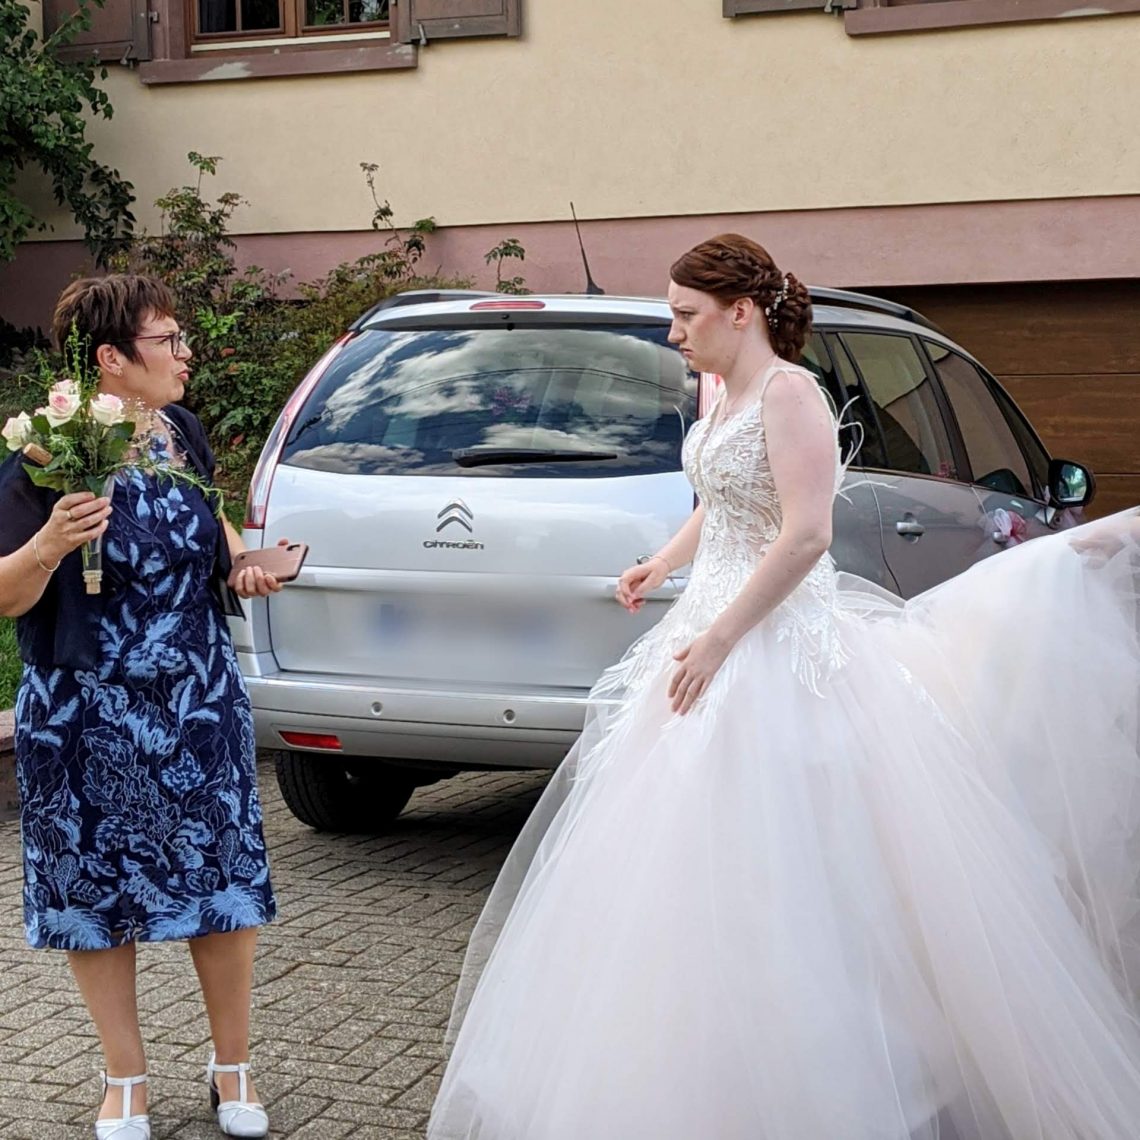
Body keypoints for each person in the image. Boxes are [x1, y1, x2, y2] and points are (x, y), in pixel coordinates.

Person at [426, 234, 1140, 1140]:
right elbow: (723, 501)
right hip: (704, 635)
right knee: (671, 866)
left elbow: (805, 536)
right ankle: (687, 1060)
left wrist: (723, 639)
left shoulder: (791, 393)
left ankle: (829, 1069)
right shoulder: (725, 394)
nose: (675, 332)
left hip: (771, 647)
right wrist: (662, 562)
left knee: (786, 861)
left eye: (686, 316)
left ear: (740, 312)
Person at [0, 276, 286, 1140]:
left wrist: (244, 564)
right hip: (83, 711)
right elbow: (8, 595)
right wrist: (50, 542)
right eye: (167, 339)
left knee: (222, 882)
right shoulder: (48, 448)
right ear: (111, 359)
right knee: (91, 890)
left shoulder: (180, 432)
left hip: (197, 702)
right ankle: (124, 1078)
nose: (185, 354)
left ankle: (232, 1069)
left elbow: (214, 529)